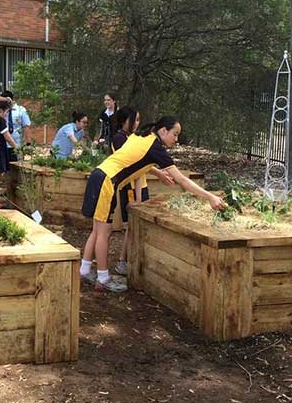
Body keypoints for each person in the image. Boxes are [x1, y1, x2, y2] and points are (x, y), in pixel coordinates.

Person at [79, 116, 226, 292]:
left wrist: (159, 174)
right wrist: (210, 197)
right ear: (163, 130)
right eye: (175, 134)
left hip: (99, 175)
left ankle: (85, 270)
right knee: (104, 232)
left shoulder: (143, 135)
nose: (176, 139)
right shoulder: (156, 148)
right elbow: (182, 180)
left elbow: (135, 159)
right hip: (107, 182)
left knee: (97, 230)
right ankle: (102, 278)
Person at [109, 106, 171, 276]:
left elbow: (143, 164)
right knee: (131, 225)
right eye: (134, 120)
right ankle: (122, 261)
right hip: (129, 187)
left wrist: (157, 172)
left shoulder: (134, 137)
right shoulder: (119, 139)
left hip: (141, 186)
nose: (137, 123)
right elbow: (132, 165)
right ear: (125, 121)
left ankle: (134, 259)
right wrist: (137, 196)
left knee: (138, 224)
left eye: (138, 120)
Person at [1, 90, 31, 161]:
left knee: (18, 166)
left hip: (17, 145)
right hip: (4, 144)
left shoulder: (21, 110)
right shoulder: (1, 111)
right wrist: (6, 110)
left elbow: (26, 127)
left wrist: (28, 143)